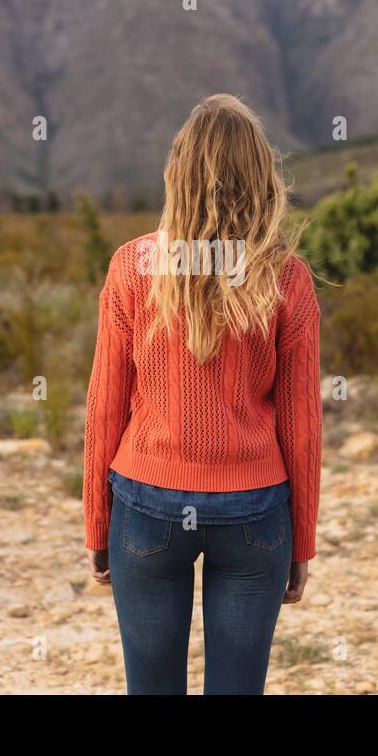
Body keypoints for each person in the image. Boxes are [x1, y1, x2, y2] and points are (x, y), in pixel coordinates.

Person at [82, 93, 323, 694]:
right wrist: (302, 541)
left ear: (178, 173)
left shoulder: (132, 266)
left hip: (145, 506)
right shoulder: (286, 276)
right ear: (261, 176)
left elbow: (105, 404)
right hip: (254, 513)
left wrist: (96, 524)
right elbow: (302, 425)